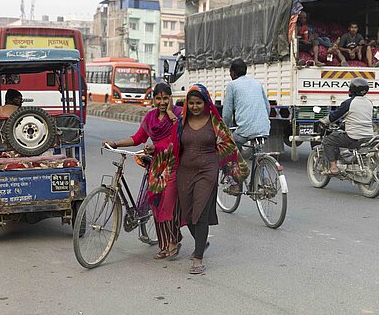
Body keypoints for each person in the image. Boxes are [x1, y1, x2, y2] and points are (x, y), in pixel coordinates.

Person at [152, 84, 248, 274]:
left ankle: (198, 258)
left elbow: (228, 145)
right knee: (188, 216)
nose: (195, 106)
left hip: (207, 170)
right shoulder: (182, 121)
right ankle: (201, 242)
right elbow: (173, 147)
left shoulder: (215, 122)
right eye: (192, 103)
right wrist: (157, 157)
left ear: (206, 103)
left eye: (199, 103)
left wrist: (233, 173)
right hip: (184, 172)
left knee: (200, 213)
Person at [103, 83, 183, 260]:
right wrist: (115, 143)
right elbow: (138, 138)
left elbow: (180, 136)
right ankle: (163, 246)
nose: (162, 102)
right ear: (153, 99)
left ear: (171, 98)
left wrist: (170, 116)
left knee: (168, 204)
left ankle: (174, 241)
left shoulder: (179, 113)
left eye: (165, 98)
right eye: (158, 98)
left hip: (174, 165)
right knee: (155, 205)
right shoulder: (150, 117)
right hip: (156, 166)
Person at [319, 78, 374, 175]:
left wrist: (324, 121)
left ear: (352, 89)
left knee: (328, 141)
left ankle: (333, 168)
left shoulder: (349, 103)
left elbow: (334, 117)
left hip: (353, 137)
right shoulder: (369, 103)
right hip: (369, 136)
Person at [222, 58, 271, 152]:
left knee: (227, 146)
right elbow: (267, 107)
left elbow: (227, 112)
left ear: (233, 73)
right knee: (258, 154)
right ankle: (262, 165)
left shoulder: (232, 85)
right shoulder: (257, 83)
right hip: (264, 128)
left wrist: (226, 128)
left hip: (245, 131)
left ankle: (233, 166)